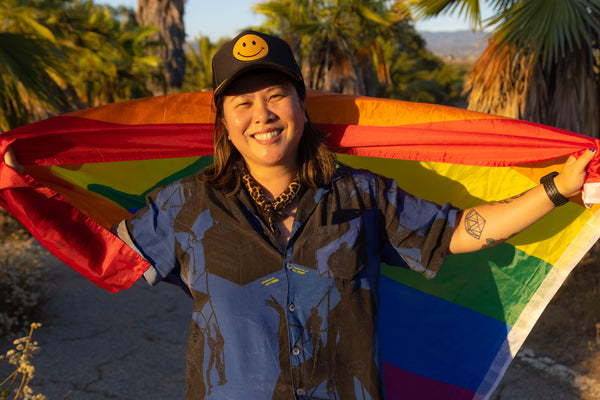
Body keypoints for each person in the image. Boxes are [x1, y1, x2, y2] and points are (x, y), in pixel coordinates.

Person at [3, 30, 595, 399]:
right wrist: (21, 181)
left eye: (276, 95)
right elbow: (113, 251)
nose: (262, 114)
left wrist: (556, 188)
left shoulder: (361, 192)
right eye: (242, 102)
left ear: (302, 106)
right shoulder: (187, 204)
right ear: (225, 123)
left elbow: (459, 232)